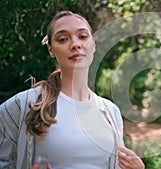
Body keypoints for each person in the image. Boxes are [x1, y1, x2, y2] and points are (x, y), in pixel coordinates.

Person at [0, 11, 145, 169]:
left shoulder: (111, 112)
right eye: (63, 39)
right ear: (51, 50)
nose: (75, 44)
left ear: (93, 44)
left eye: (82, 36)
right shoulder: (25, 104)